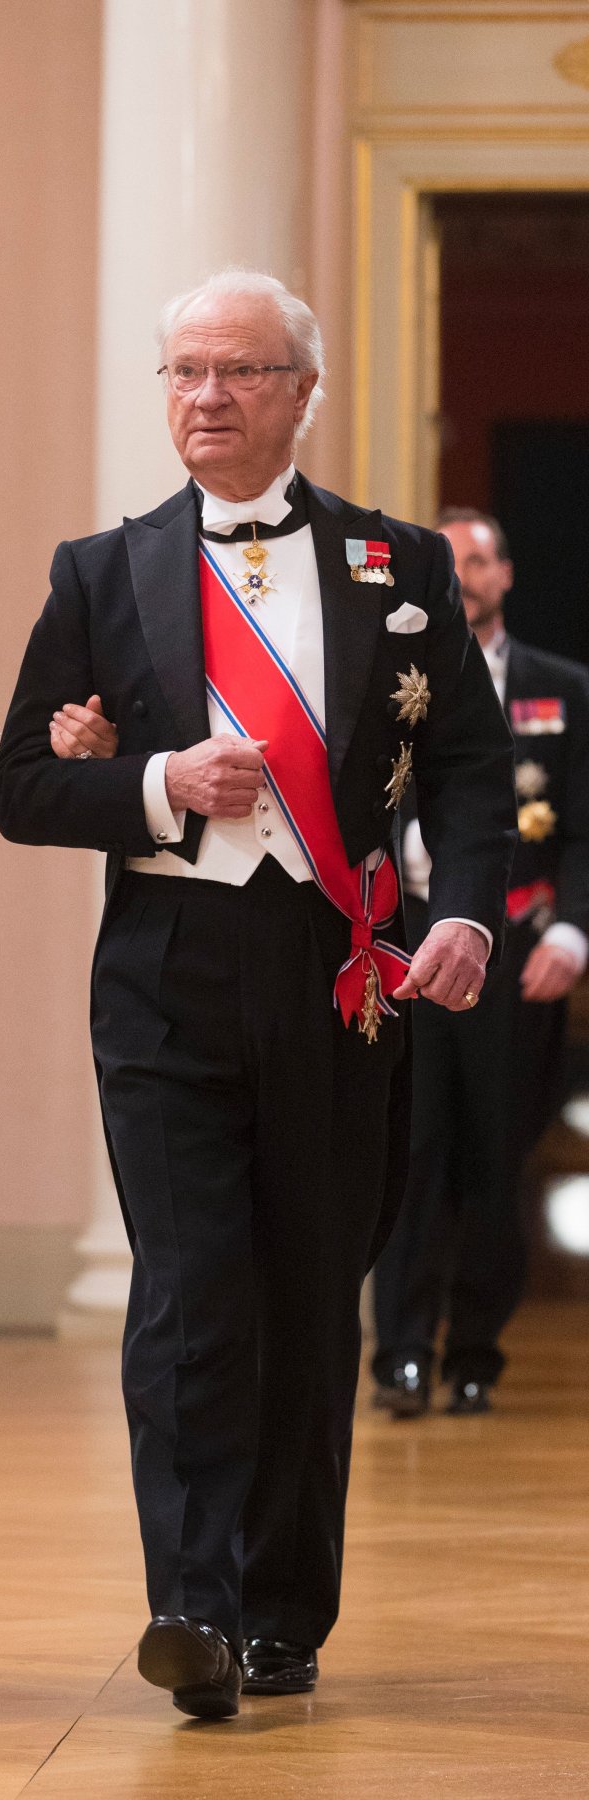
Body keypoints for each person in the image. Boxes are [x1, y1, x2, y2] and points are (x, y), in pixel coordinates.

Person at [0, 271, 515, 1719]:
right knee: (189, 1292)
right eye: (181, 371)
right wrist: (156, 781)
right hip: (167, 980)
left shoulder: (397, 564)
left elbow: (469, 766)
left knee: (306, 1294)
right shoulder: (103, 573)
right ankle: (192, 1607)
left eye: (238, 370)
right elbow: (24, 789)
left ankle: (285, 1608)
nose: (204, 395)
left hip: (345, 977)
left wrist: (464, 907)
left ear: (301, 390)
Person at [373, 509, 589, 1417]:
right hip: (409, 945)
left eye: (482, 557)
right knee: (409, 1153)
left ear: (505, 575)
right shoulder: (388, 681)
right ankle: (403, 1357)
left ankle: (474, 1355)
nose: (467, 571)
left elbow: (581, 831)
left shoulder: (562, 689)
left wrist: (572, 933)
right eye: (451, 556)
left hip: (518, 952)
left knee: (493, 1158)